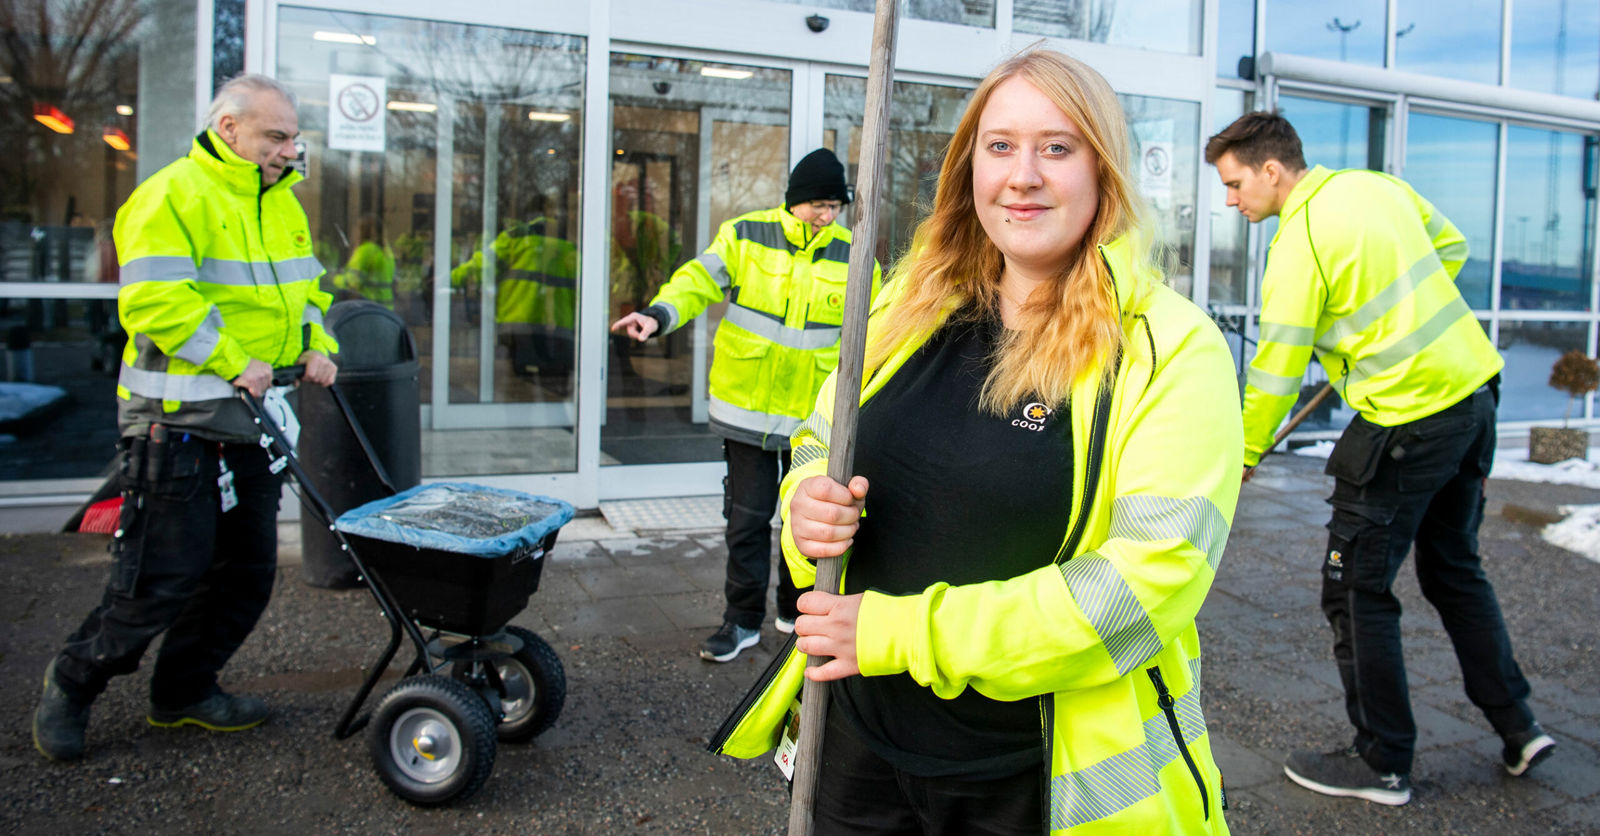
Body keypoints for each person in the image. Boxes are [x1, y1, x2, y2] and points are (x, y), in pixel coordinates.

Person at [710, 50, 1241, 833]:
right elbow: (821, 440)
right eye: (999, 146)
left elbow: (1143, 587)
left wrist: (898, 632)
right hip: (855, 748)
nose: (1022, 175)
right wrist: (804, 503)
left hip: (1032, 779)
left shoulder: (1171, 349)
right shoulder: (908, 304)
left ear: (1104, 169)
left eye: (1056, 148)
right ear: (968, 168)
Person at [1205, 111, 1555, 806]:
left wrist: (1242, 454)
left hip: (1408, 419)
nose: (1231, 200)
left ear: (1271, 170)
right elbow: (1449, 248)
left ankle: (1382, 761)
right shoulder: (1376, 187)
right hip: (1474, 397)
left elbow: (1276, 369)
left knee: (1356, 589)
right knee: (1455, 570)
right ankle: (1519, 727)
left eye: (1235, 183)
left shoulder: (1298, 242)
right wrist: (1385, 325)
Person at [31, 73, 340, 762]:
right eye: (275, 136)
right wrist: (233, 358)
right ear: (229, 129)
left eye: (293, 137)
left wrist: (319, 343)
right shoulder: (171, 195)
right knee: (160, 577)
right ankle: (74, 680)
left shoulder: (282, 205)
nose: (289, 150)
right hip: (178, 422)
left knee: (245, 573)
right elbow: (156, 302)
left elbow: (308, 292)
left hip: (250, 423)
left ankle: (185, 692)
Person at [611, 148, 882, 663]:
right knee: (747, 521)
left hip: (813, 423)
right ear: (795, 201)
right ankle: (740, 622)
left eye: (835, 207)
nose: (827, 215)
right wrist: (658, 315)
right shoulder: (745, 235)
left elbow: (886, 321)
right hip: (746, 414)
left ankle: (793, 611)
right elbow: (696, 280)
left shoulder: (855, 252)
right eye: (819, 205)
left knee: (805, 525)